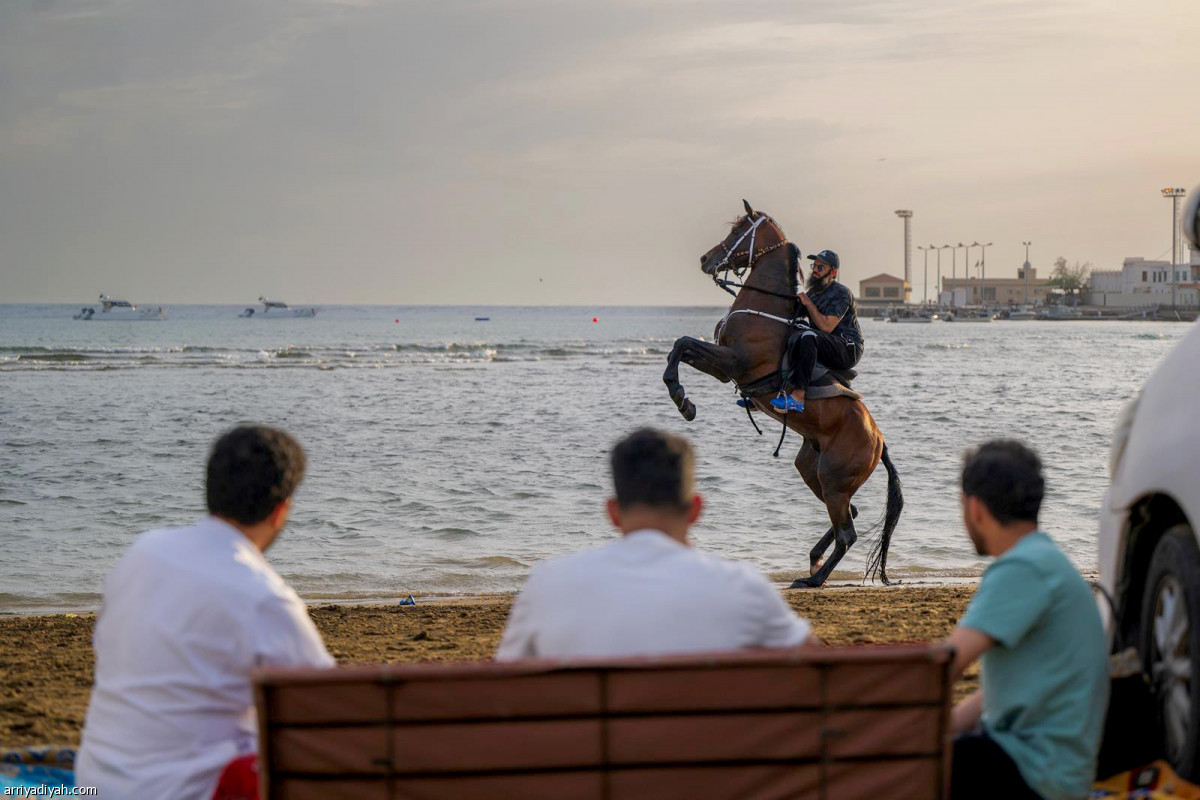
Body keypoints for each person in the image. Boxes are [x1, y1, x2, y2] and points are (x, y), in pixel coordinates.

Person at [76, 426, 334, 800]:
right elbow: (332, 709)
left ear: (210, 491)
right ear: (281, 510)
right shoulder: (263, 596)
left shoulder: (142, 552)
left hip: (96, 783)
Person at [496, 428, 815, 659]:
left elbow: (509, 683)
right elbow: (817, 669)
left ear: (612, 512)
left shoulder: (548, 584)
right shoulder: (744, 587)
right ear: (696, 509)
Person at [943, 441, 1108, 800]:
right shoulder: (1046, 562)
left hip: (1037, 775)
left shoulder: (1022, 568)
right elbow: (1004, 695)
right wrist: (945, 725)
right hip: (1052, 768)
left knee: (899, 771)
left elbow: (942, 665)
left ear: (974, 508)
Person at [770, 249, 864, 413]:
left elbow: (827, 327)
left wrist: (808, 303)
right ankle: (767, 392)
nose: (814, 270)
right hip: (823, 342)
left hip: (848, 348)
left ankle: (799, 397)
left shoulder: (842, 293)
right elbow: (791, 316)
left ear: (833, 272)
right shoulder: (813, 293)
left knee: (808, 335)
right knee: (791, 333)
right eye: (814, 265)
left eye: (821, 267)